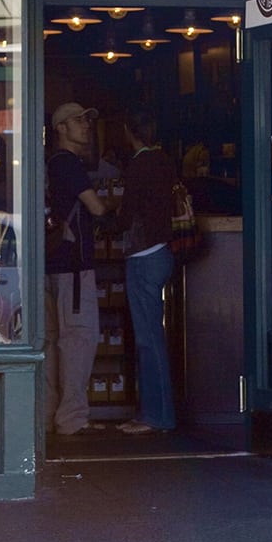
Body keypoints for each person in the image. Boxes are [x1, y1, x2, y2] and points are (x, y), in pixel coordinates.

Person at [44, 102, 109, 437]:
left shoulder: (54, 164)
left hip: (56, 264)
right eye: (78, 121)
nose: (86, 126)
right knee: (78, 340)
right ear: (61, 129)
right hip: (73, 266)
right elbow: (96, 207)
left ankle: (56, 413)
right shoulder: (67, 163)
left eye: (87, 120)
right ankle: (71, 418)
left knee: (58, 340)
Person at [116, 106, 176, 435]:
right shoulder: (165, 161)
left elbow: (127, 216)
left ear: (129, 131)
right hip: (164, 252)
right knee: (153, 337)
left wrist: (106, 220)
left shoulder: (139, 165)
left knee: (148, 339)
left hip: (143, 255)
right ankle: (156, 413)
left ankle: (156, 416)